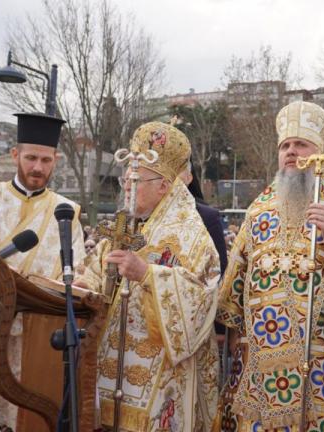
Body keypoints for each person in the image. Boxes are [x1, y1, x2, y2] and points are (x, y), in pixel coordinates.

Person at [214, 101, 324, 431]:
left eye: (300, 144)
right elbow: (237, 276)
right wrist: (232, 332)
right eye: (285, 145)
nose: (290, 151)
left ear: (319, 153)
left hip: (319, 350)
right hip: (257, 350)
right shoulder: (258, 208)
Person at [75, 121, 221, 431]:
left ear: (164, 185)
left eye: (136, 179)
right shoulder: (123, 226)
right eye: (125, 179)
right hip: (107, 364)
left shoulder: (191, 235)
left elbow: (203, 297)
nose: (127, 186)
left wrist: (148, 274)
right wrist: (83, 286)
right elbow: (95, 270)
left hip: (161, 374)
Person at [0, 112, 86, 431]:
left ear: (56, 160)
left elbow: (78, 268)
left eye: (46, 160)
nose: (38, 167)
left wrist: (79, 280)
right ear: (15, 155)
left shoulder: (66, 212)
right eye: (31, 158)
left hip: (39, 337)